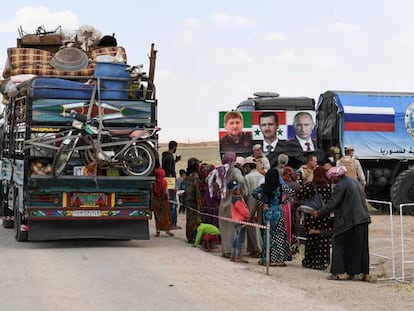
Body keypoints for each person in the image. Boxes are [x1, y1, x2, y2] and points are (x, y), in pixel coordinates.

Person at [311, 166, 371, 281]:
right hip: (363, 217)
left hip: (350, 219)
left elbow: (333, 203)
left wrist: (319, 212)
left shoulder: (340, 185)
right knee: (361, 246)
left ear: (336, 177)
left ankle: (340, 273)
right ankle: (365, 274)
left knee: (338, 242)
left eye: (331, 178)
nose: (331, 180)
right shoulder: (354, 181)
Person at [207, 151, 248, 258]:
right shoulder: (234, 171)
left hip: (222, 204)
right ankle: (232, 251)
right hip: (233, 204)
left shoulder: (218, 170)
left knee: (224, 229)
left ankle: (225, 250)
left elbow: (209, 181)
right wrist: (242, 191)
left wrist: (219, 191)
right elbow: (241, 181)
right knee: (233, 229)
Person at [252, 168, 292, 266]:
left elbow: (253, 193)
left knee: (267, 236)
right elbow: (291, 193)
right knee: (278, 236)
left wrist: (262, 203)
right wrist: (283, 203)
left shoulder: (264, 187)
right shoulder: (281, 186)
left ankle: (266, 258)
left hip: (267, 212)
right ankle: (277, 259)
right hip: (278, 212)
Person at [296, 166, 333, 270]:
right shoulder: (328, 187)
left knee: (311, 238)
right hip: (324, 216)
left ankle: (310, 261)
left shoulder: (310, 186)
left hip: (311, 216)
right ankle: (323, 261)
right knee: (323, 239)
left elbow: (298, 194)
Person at [243, 156, 263, 258]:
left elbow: (245, 193)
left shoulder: (247, 177)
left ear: (248, 166)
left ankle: (257, 249)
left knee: (251, 226)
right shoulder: (261, 176)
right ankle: (253, 249)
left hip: (250, 203)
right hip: (261, 204)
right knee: (258, 225)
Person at [228, 180, 250, 263]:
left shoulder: (234, 198)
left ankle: (233, 255)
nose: (238, 190)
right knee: (240, 239)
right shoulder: (237, 199)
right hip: (241, 221)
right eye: (236, 189)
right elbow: (243, 211)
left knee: (235, 238)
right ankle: (237, 256)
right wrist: (249, 215)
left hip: (236, 220)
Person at [162, 140, 181, 230]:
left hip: (166, 182)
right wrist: (173, 186)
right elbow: (169, 172)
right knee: (173, 204)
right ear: (174, 147)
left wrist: (175, 161)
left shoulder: (165, 156)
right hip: (170, 182)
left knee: (170, 204)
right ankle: (172, 224)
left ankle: (169, 223)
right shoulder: (169, 157)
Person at [183, 157, 202, 243]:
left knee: (189, 218)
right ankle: (194, 236)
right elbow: (197, 190)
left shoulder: (188, 176)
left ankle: (189, 236)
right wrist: (199, 202)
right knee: (195, 219)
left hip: (187, 200)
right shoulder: (195, 176)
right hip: (194, 201)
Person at [151, 168, 174, 237]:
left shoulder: (154, 182)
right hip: (163, 200)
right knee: (165, 216)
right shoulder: (164, 182)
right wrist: (168, 198)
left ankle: (158, 231)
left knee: (157, 215)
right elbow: (166, 192)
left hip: (156, 201)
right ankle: (167, 230)